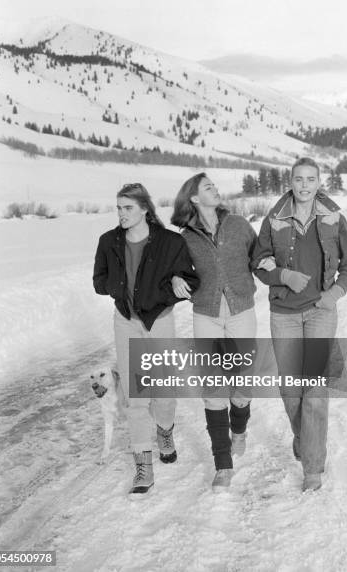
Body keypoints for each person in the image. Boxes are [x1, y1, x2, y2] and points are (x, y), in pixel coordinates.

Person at [252, 157, 347, 491]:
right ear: (291, 181)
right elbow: (258, 262)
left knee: (314, 390)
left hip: (320, 313)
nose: (303, 185)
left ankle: (312, 469)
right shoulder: (274, 218)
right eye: (298, 179)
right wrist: (283, 275)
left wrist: (336, 293)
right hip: (284, 314)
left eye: (310, 179)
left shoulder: (333, 216)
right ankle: (304, 436)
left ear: (318, 182)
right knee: (290, 389)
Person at [93, 183, 199, 498]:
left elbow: (190, 277)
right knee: (136, 396)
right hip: (125, 321)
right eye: (118, 207)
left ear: (144, 209)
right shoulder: (108, 241)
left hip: (159, 321)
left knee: (163, 393)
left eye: (127, 207)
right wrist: (118, 284)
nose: (121, 213)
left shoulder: (170, 242)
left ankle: (165, 430)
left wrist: (177, 279)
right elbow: (99, 282)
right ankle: (144, 466)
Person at [171, 173, 257, 492]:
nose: (215, 190)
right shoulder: (185, 236)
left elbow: (259, 255)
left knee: (242, 381)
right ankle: (223, 464)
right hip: (205, 313)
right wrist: (175, 280)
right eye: (207, 187)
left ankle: (240, 429)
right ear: (193, 198)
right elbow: (177, 270)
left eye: (214, 186)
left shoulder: (237, 224)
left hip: (241, 310)